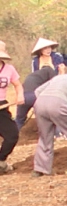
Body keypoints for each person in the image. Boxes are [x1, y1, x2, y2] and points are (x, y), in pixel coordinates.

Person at [0, 44, 20, 173]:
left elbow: (18, 85)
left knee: (12, 135)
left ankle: (1, 160)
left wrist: (20, 95)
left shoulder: (9, 69)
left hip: (2, 107)